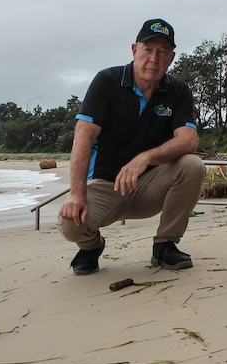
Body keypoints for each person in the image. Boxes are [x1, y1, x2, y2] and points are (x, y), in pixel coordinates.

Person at [58, 18, 206, 275]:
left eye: (162, 52)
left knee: (193, 165)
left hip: (151, 185)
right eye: (148, 49)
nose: (154, 58)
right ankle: (91, 247)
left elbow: (188, 141)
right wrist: (77, 195)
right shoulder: (107, 81)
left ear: (171, 59)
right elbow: (83, 139)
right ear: (134, 50)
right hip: (106, 185)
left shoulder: (178, 91)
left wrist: (145, 158)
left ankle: (165, 245)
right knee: (70, 221)